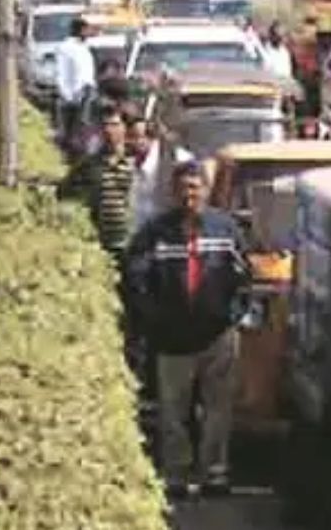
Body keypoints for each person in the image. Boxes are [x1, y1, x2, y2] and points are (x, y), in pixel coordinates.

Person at [125, 161, 251, 498]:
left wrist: (233, 315)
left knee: (218, 411)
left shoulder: (226, 230)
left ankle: (214, 474)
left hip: (218, 338)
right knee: (173, 412)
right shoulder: (154, 233)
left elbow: (244, 278)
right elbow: (136, 281)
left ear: (207, 192)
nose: (189, 195)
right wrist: (154, 320)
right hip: (171, 340)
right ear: (173, 191)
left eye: (195, 188)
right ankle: (176, 476)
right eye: (184, 188)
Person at [59, 105, 138, 259]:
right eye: (105, 125)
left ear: (124, 129)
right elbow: (66, 193)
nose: (109, 130)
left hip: (133, 243)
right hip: (102, 245)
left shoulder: (135, 163)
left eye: (114, 125)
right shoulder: (89, 165)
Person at [126, 111, 196, 231]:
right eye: (130, 137)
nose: (133, 142)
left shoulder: (178, 158)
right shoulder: (129, 163)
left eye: (138, 136)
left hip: (167, 231)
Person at [54, 17, 96, 159]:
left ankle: (81, 154)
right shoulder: (66, 48)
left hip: (87, 90)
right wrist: (67, 94)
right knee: (74, 129)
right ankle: (71, 155)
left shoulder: (84, 47)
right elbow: (62, 72)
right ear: (81, 30)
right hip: (74, 94)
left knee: (85, 125)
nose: (90, 32)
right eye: (88, 29)